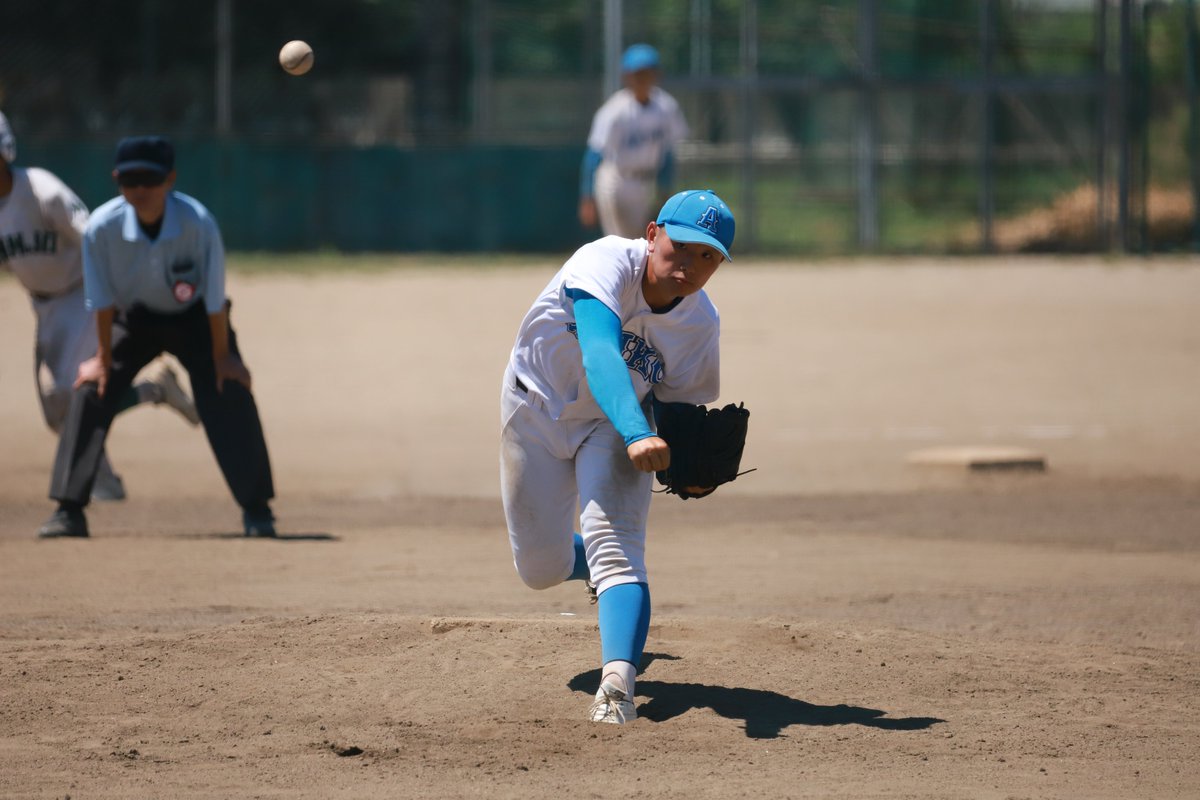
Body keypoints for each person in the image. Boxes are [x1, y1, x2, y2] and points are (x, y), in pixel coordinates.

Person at [500, 189, 735, 724]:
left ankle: (616, 685)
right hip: (534, 409)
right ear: (652, 234)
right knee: (539, 568)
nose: (691, 266)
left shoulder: (700, 325)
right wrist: (637, 430)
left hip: (611, 429)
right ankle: (584, 565)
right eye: (683, 247)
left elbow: (679, 411)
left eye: (709, 257)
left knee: (620, 549)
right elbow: (601, 351)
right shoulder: (603, 260)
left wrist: (687, 465)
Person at [36, 135, 276, 539]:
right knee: (91, 390)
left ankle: (257, 509)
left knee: (228, 386)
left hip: (198, 320)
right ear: (117, 180)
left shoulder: (198, 223)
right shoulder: (101, 227)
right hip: (134, 320)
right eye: (130, 181)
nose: (140, 190)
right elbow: (102, 301)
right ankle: (69, 510)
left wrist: (222, 357)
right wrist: (102, 360)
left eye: (150, 179)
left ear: (171, 180)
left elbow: (215, 301)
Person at [0, 111, 200, 503]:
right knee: (56, 410)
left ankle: (99, 477)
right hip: (44, 306)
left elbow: (94, 239)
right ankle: (148, 397)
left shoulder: (41, 191)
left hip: (81, 295)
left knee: (70, 392)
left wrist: (117, 292)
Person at [578, 44, 690, 239]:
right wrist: (587, 196)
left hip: (646, 182)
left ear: (656, 75)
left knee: (642, 241)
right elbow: (594, 154)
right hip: (616, 179)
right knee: (619, 241)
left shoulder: (667, 107)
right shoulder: (614, 110)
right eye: (637, 74)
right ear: (627, 77)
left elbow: (667, 153)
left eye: (647, 73)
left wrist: (665, 189)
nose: (642, 79)